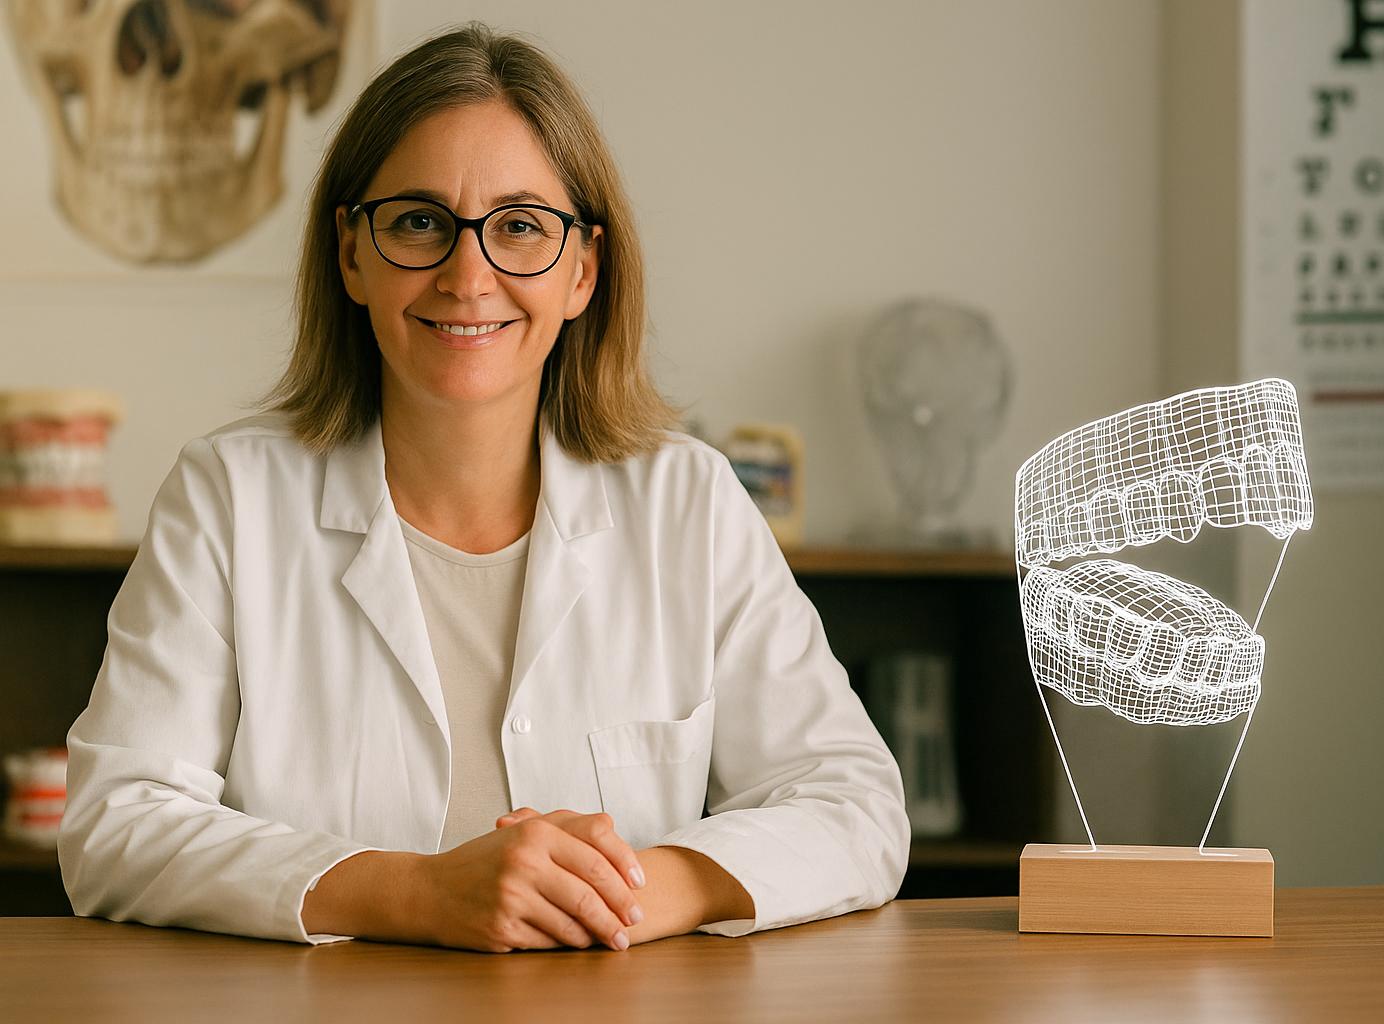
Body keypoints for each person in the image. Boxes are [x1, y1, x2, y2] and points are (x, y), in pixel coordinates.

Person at [57, 22, 908, 953]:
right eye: (420, 221)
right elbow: (117, 823)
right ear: (351, 255)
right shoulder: (229, 497)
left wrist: (651, 886)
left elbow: (855, 803)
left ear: (583, 268)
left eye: (521, 227)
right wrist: (414, 894)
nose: (470, 276)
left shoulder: (687, 504)